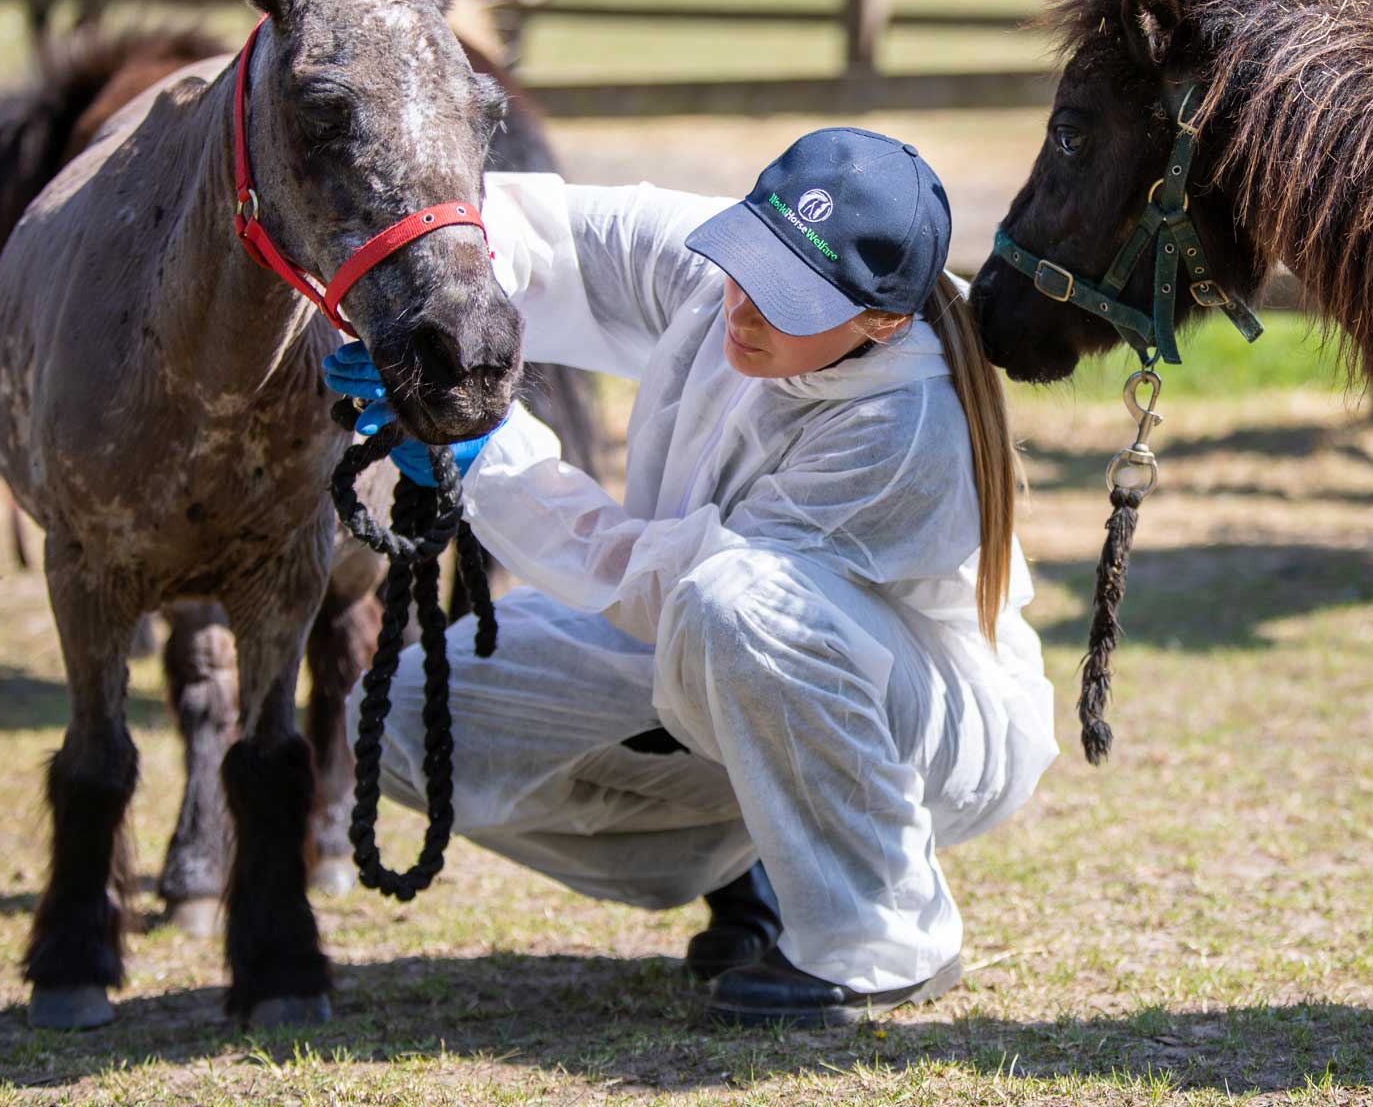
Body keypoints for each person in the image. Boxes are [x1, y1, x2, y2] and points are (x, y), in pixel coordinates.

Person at [326, 127, 1058, 1026]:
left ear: (883, 321)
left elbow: (674, 589)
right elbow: (527, 233)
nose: (742, 308)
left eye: (790, 299)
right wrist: (396, 293)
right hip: (727, 651)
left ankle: (880, 934)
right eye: (748, 262)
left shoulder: (906, 428)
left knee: (735, 603)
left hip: (931, 722)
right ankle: (769, 857)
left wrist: (483, 450)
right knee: (398, 721)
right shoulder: (732, 279)